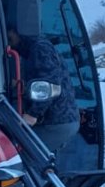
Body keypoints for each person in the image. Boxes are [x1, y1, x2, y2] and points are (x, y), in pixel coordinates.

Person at [7, 26, 79, 158]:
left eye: (10, 38)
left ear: (19, 32)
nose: (9, 43)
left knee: (21, 159)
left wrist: (32, 114)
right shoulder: (32, 51)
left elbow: (49, 83)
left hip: (56, 121)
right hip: (57, 120)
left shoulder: (40, 48)